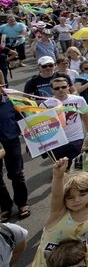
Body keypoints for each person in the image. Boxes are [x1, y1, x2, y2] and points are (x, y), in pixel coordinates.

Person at [41, 77, 88, 167]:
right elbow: (42, 128)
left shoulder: (79, 100)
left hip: (77, 139)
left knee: (79, 168)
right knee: (64, 171)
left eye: (63, 87)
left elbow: (86, 119)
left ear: (68, 87)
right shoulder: (44, 105)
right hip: (57, 143)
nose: (61, 90)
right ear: (52, 90)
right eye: (57, 88)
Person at [0, 91, 30, 222]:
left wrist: (30, 142)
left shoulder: (11, 102)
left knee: (16, 174)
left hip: (11, 142)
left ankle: (22, 204)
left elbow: (24, 122)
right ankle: (5, 207)